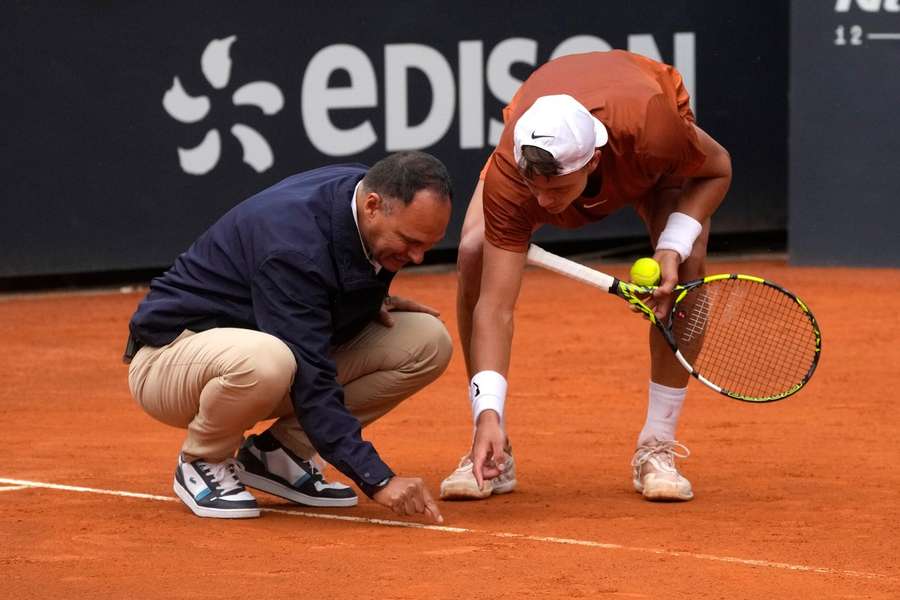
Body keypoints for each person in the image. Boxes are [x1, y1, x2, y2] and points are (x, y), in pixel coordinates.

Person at [439, 50, 732, 502]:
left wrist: (671, 244)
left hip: (641, 136)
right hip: (581, 127)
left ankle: (657, 446)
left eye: (555, 188)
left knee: (688, 269)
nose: (543, 200)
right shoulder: (514, 178)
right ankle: (493, 443)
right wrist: (488, 412)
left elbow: (718, 169)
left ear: (592, 161)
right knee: (475, 254)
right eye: (534, 185)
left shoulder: (655, 133)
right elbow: (495, 309)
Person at [125, 151, 453, 522]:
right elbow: (312, 377)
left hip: (254, 344)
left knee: (427, 341)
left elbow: (331, 278)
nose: (419, 257)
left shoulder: (363, 194)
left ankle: (279, 455)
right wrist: (377, 479)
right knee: (270, 360)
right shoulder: (293, 246)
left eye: (428, 244)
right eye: (410, 241)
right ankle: (203, 459)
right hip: (170, 356)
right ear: (373, 206)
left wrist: (369, 299)